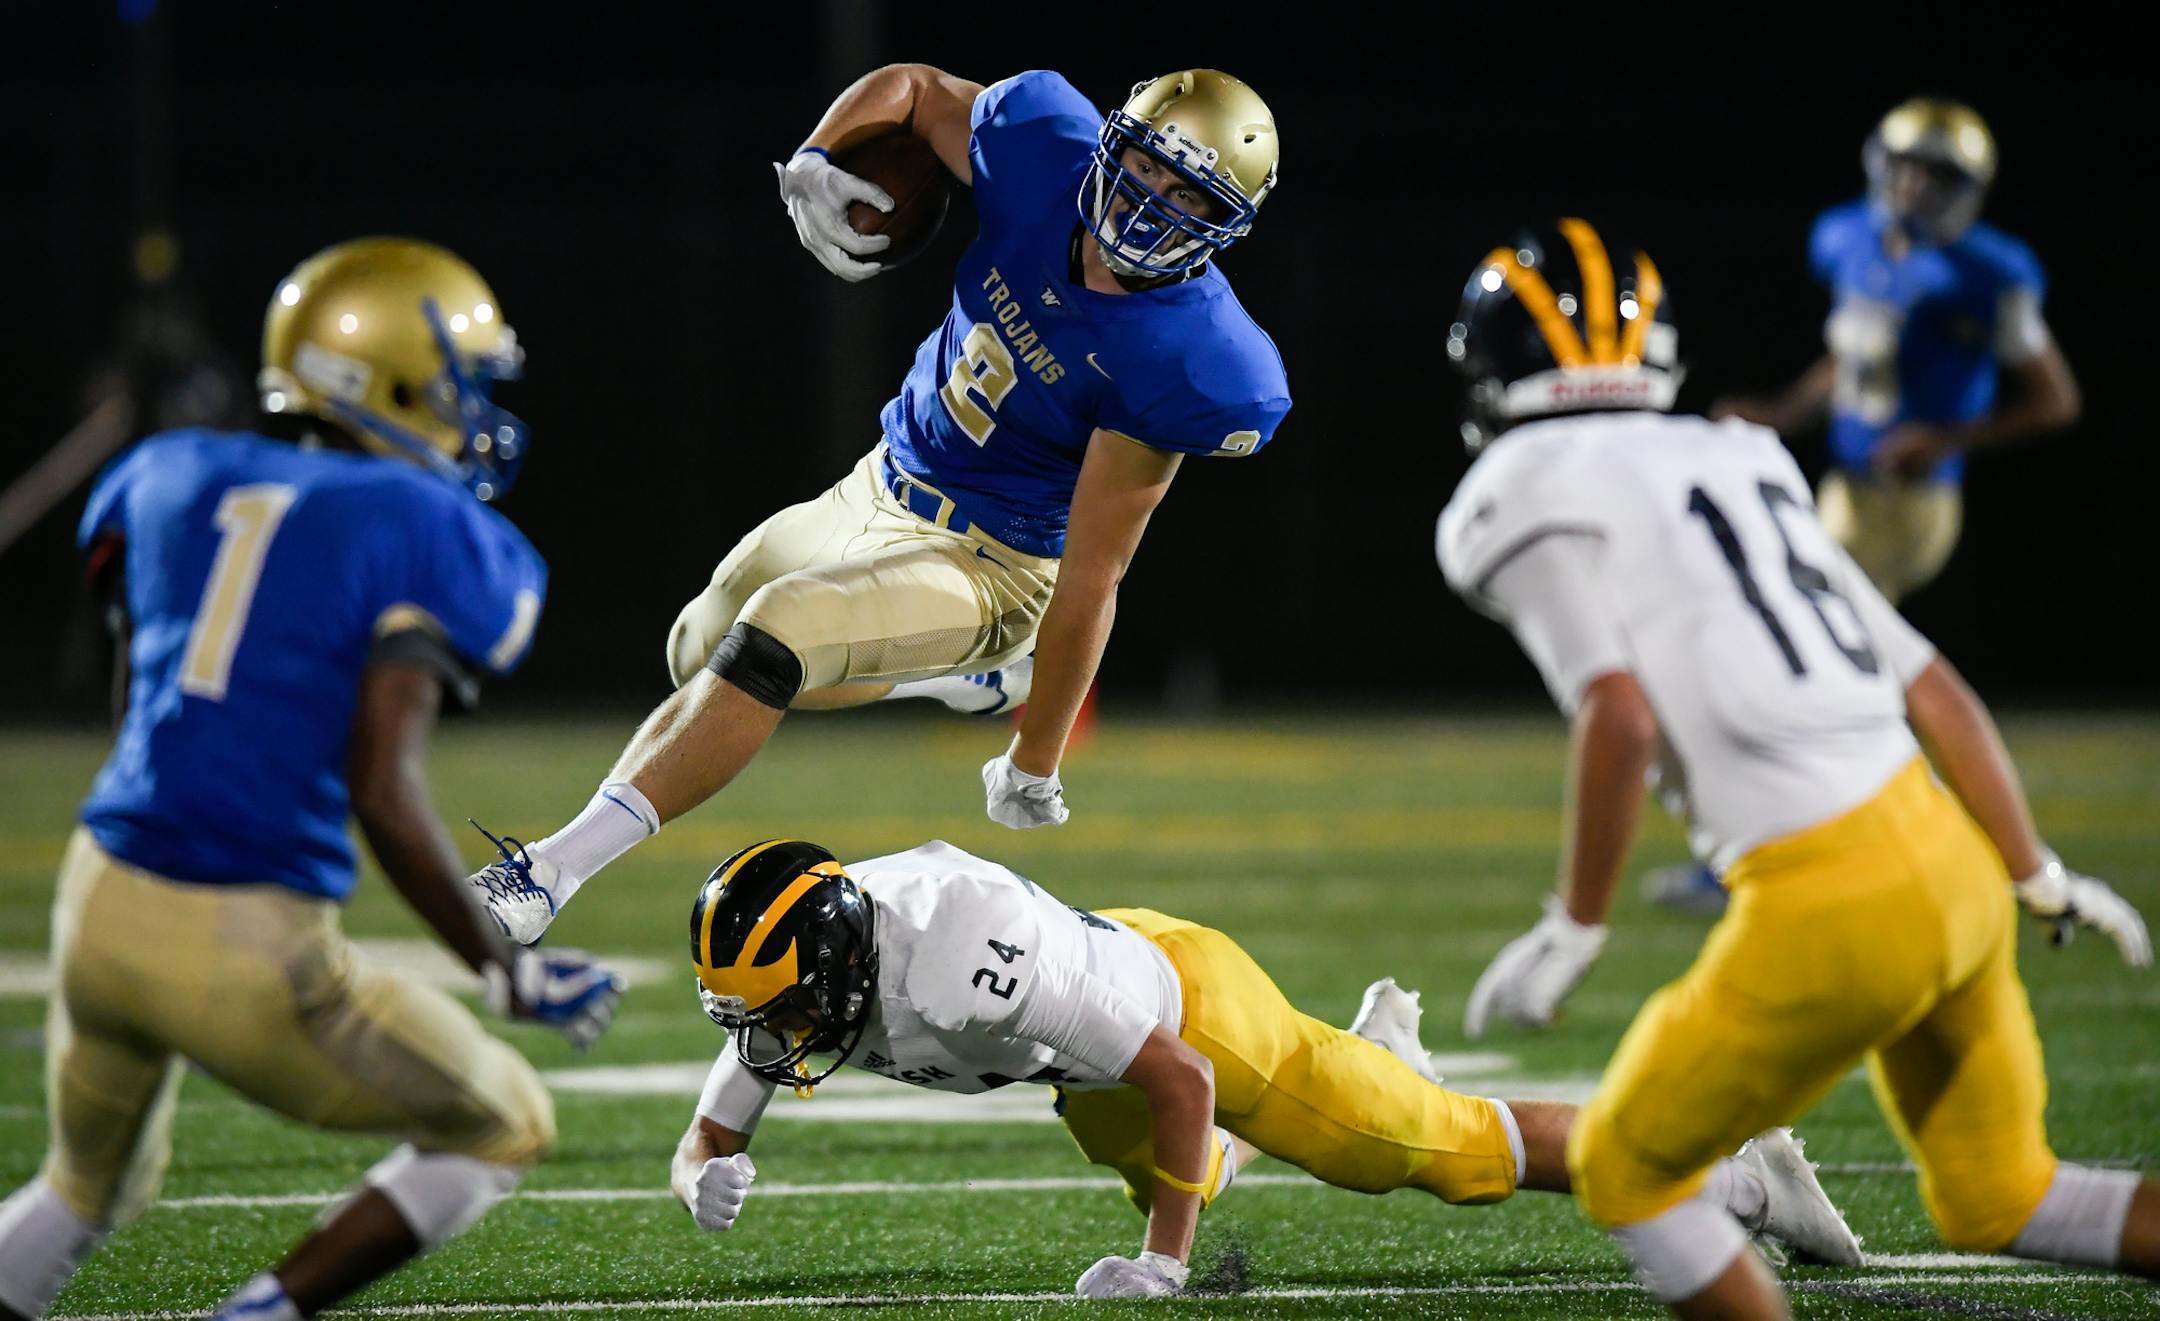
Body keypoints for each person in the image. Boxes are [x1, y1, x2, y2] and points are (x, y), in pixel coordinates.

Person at [1438, 220, 2155, 1319]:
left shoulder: (1514, 487)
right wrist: (2036, 869)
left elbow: (1617, 714)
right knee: (2002, 1194)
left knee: (1628, 1168)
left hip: (1830, 899)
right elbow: (1938, 693)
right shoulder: (1742, 451)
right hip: (1951, 867)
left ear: (1492, 367)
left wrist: (1575, 924)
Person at [463, 65, 1291, 946]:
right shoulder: (1045, 149)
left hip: (991, 564)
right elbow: (916, 89)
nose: (1148, 203)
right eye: (1145, 167)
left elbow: (1094, 568)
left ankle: (544, 874)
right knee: (700, 651)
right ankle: (961, 679)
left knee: (778, 629)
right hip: (875, 480)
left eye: (1189, 197)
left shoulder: (1198, 361)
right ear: (1111, 144)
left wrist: (1035, 757)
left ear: (1225, 226)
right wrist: (818, 156)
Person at [0, 239, 623, 1321]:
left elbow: (141, 687)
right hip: (242, 940)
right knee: (505, 1117)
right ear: (378, 376)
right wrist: (504, 969)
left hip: (99, 896)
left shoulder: (169, 469)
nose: (470, 408)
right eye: (454, 381)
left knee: (80, 1187)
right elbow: (383, 785)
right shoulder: (420, 524)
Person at [667, 838, 1861, 1299]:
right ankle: (1375, 1049)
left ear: (836, 956)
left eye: (783, 1010)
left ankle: (1738, 1177)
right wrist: (699, 1167)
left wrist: (1162, 1269)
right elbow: (722, 1114)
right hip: (1087, 1055)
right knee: (1197, 1175)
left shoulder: (953, 959)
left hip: (1193, 1016)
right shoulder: (824, 957)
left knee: (1435, 1155)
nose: (769, 1040)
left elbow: (1183, 1077)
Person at [1652, 97, 2084, 917]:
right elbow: (1850, 355)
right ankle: (1807, 846)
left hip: (1909, 505)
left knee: (1808, 663)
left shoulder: (1989, 273)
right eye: (1906, 166)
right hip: (1842, 493)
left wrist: (1948, 438)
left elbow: (2057, 399)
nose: (1916, 185)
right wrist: (1783, 411)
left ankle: (1841, 848)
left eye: (1938, 174)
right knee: (1816, 662)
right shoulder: (1847, 235)